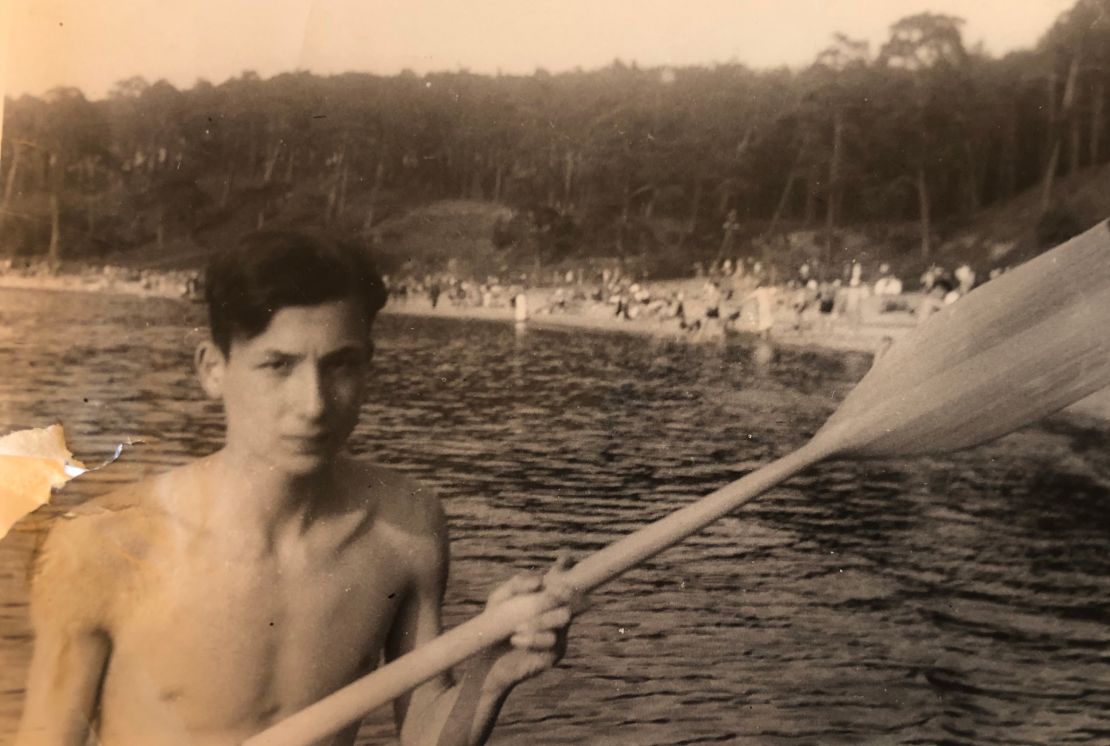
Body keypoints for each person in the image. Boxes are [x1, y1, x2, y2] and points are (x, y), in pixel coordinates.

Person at [16, 231, 574, 746]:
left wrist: (490, 671)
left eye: (340, 366)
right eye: (277, 366)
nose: (313, 404)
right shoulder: (102, 545)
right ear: (213, 370)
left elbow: (423, 734)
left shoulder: (406, 527)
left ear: (368, 368)